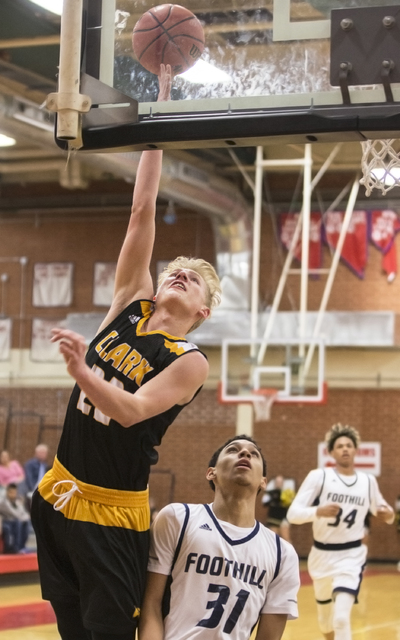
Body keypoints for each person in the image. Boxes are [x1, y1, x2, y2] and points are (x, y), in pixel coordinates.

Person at [30, 64, 221, 640]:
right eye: (177, 269)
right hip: (58, 491)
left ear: (204, 312)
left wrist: (80, 369)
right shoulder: (130, 304)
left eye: (196, 279)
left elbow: (131, 410)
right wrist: (158, 112)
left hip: (114, 514)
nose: (182, 272)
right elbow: (141, 210)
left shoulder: (189, 360)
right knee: (70, 630)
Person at [139, 435, 300, 640]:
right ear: (210, 473)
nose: (245, 453)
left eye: (254, 454)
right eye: (233, 450)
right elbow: (151, 604)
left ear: (263, 482)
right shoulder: (178, 519)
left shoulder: (283, 554)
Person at [287, 423, 394, 640]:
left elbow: (386, 513)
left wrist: (388, 514)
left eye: (348, 445)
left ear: (355, 450)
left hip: (352, 556)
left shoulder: (367, 481)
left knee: (341, 618)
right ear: (331, 452)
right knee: (326, 622)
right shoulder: (319, 476)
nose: (344, 449)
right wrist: (318, 511)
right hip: (321, 556)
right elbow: (293, 514)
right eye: (339, 446)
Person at [261, 474, 296, 543]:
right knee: (273, 539)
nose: (279, 484)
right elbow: (264, 502)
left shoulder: (287, 493)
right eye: (277, 482)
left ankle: (289, 553)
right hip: (273, 518)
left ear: (283, 483)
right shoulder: (270, 493)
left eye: (280, 482)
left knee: (286, 539)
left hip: (283, 518)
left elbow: (292, 504)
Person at [0, 483, 30, 553]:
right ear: (7, 492)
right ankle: (15, 547)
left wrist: (26, 518)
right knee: (18, 522)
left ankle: (22, 546)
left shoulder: (17, 501)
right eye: (11, 493)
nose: (13, 494)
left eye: (14, 493)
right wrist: (24, 517)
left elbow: (24, 513)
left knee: (26, 522)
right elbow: (14, 514)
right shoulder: (3, 502)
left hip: (16, 520)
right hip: (6, 522)